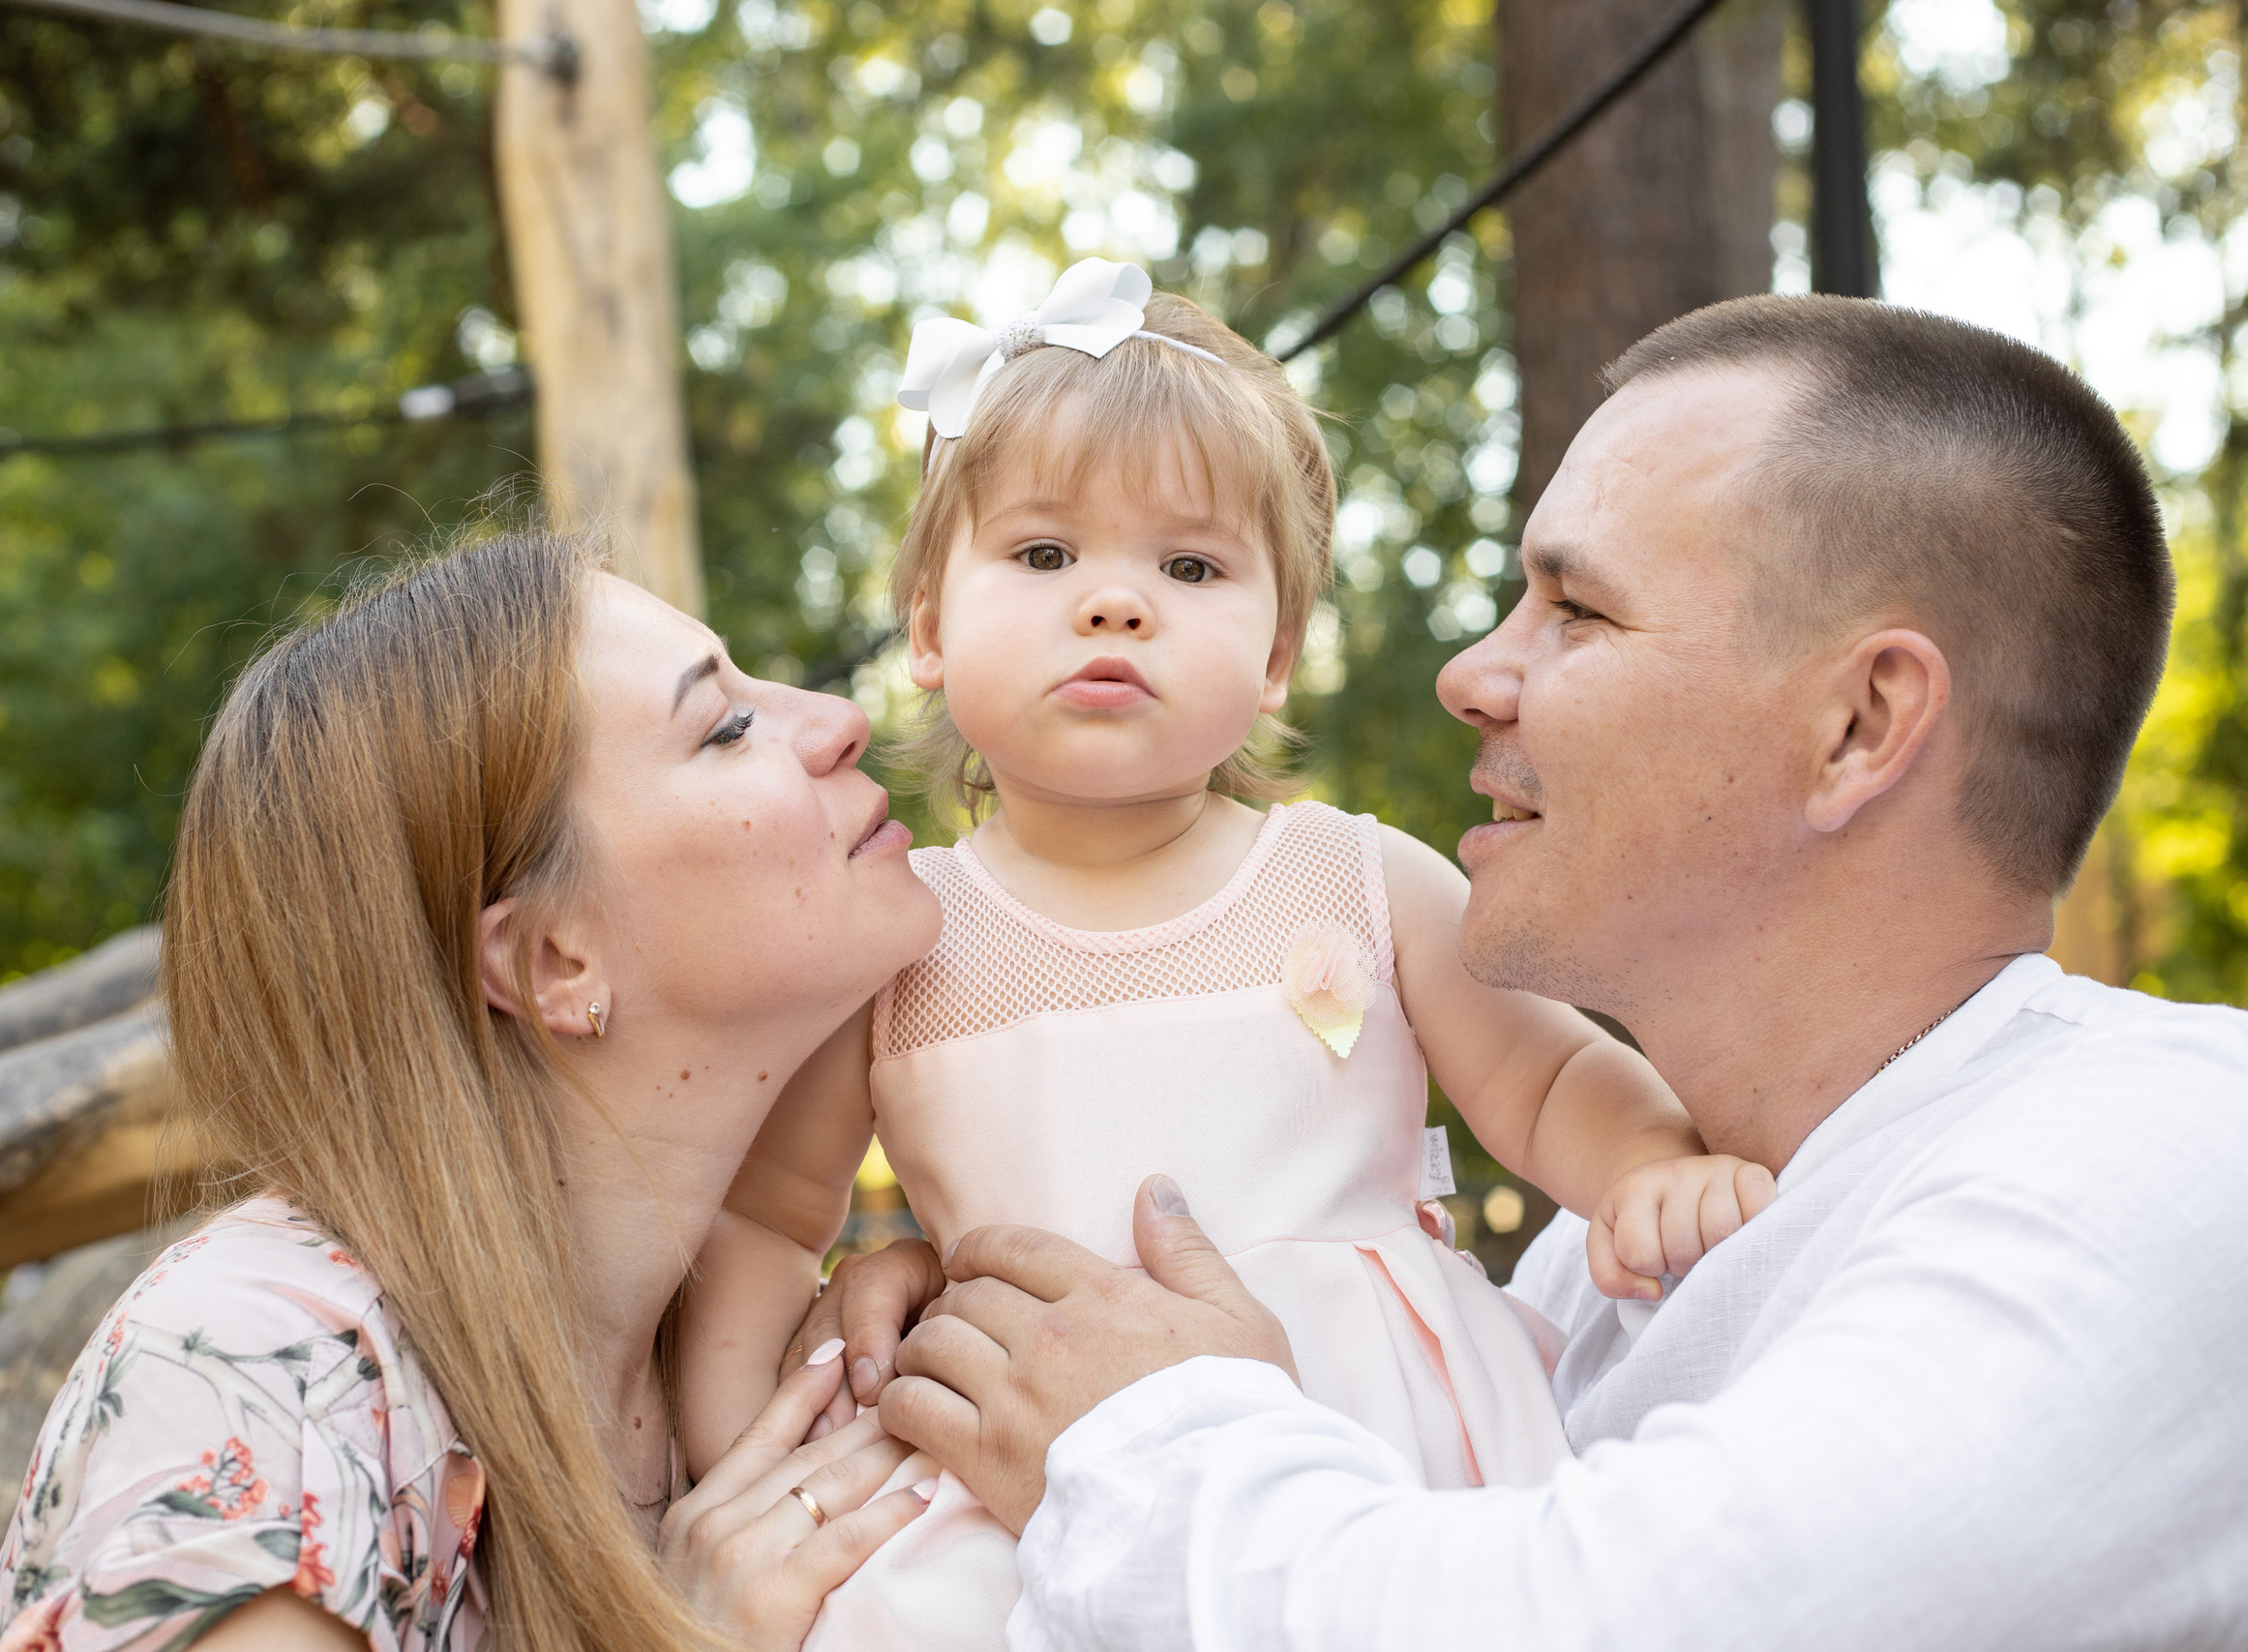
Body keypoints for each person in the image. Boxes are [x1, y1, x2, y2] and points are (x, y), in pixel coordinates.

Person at [836, 296, 2248, 1650]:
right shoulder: (1573, 1292)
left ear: (1859, 722)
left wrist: (1122, 1421)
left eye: (1573, 612)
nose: (1469, 671)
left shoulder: (2177, 1153)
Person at [677, 260, 1772, 1649]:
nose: (1115, 603)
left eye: (1189, 567)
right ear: (933, 631)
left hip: (1361, 1429)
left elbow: (1548, 1084)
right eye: (1044, 554)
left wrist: (1650, 1171)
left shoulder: (1362, 878)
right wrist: (753, 1451)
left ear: (1274, 655)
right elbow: (770, 1224)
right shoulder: (903, 935)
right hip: (1016, 1461)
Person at [0, 532, 946, 1652]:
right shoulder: (265, 1373)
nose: (838, 721)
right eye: (725, 726)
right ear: (553, 963)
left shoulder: (725, 1364)